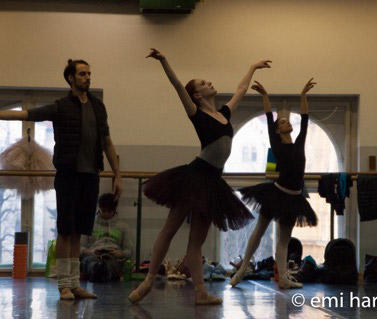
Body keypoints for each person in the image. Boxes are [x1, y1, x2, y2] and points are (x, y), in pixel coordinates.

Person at [0, 59, 123, 300]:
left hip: (91, 174)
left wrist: (117, 174)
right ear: (71, 78)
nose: (87, 77)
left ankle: (74, 283)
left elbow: (107, 142)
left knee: (79, 231)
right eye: (82, 74)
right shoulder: (60, 107)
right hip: (68, 175)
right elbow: (25, 114)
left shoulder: (98, 107)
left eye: (89, 73)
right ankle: (64, 285)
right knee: (65, 230)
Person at [128, 48, 271, 305]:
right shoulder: (196, 112)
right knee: (171, 227)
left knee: (197, 242)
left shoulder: (224, 113)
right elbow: (176, 86)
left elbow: (240, 90)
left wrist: (252, 67)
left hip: (213, 182)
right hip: (194, 177)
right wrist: (164, 61)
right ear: (196, 94)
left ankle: (200, 293)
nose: (209, 83)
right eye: (204, 83)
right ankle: (149, 279)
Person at [230, 79, 317, 289]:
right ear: (277, 131)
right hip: (276, 194)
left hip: (294, 197)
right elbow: (270, 119)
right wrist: (265, 97)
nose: (286, 123)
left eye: (287, 121)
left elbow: (305, 119)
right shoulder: (276, 143)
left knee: (284, 239)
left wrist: (303, 95)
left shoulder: (299, 143)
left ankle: (284, 279)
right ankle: (242, 269)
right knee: (259, 230)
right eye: (282, 123)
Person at [80, 193, 133, 282]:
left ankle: (101, 271)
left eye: (109, 211)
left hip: (113, 257)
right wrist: (90, 251)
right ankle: (99, 270)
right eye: (103, 211)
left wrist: (121, 253)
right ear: (99, 208)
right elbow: (79, 248)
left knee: (112, 263)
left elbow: (129, 250)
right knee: (89, 261)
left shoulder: (123, 226)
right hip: (93, 255)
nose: (106, 214)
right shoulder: (90, 224)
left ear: (114, 210)